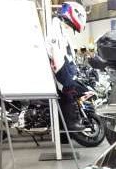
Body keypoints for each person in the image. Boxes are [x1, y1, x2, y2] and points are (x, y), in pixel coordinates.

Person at [46, 1, 88, 132]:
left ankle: (69, 124)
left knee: (70, 92)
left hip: (63, 68)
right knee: (68, 93)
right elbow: (56, 52)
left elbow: (65, 53)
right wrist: (64, 76)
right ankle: (71, 123)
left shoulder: (59, 27)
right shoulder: (56, 28)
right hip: (60, 69)